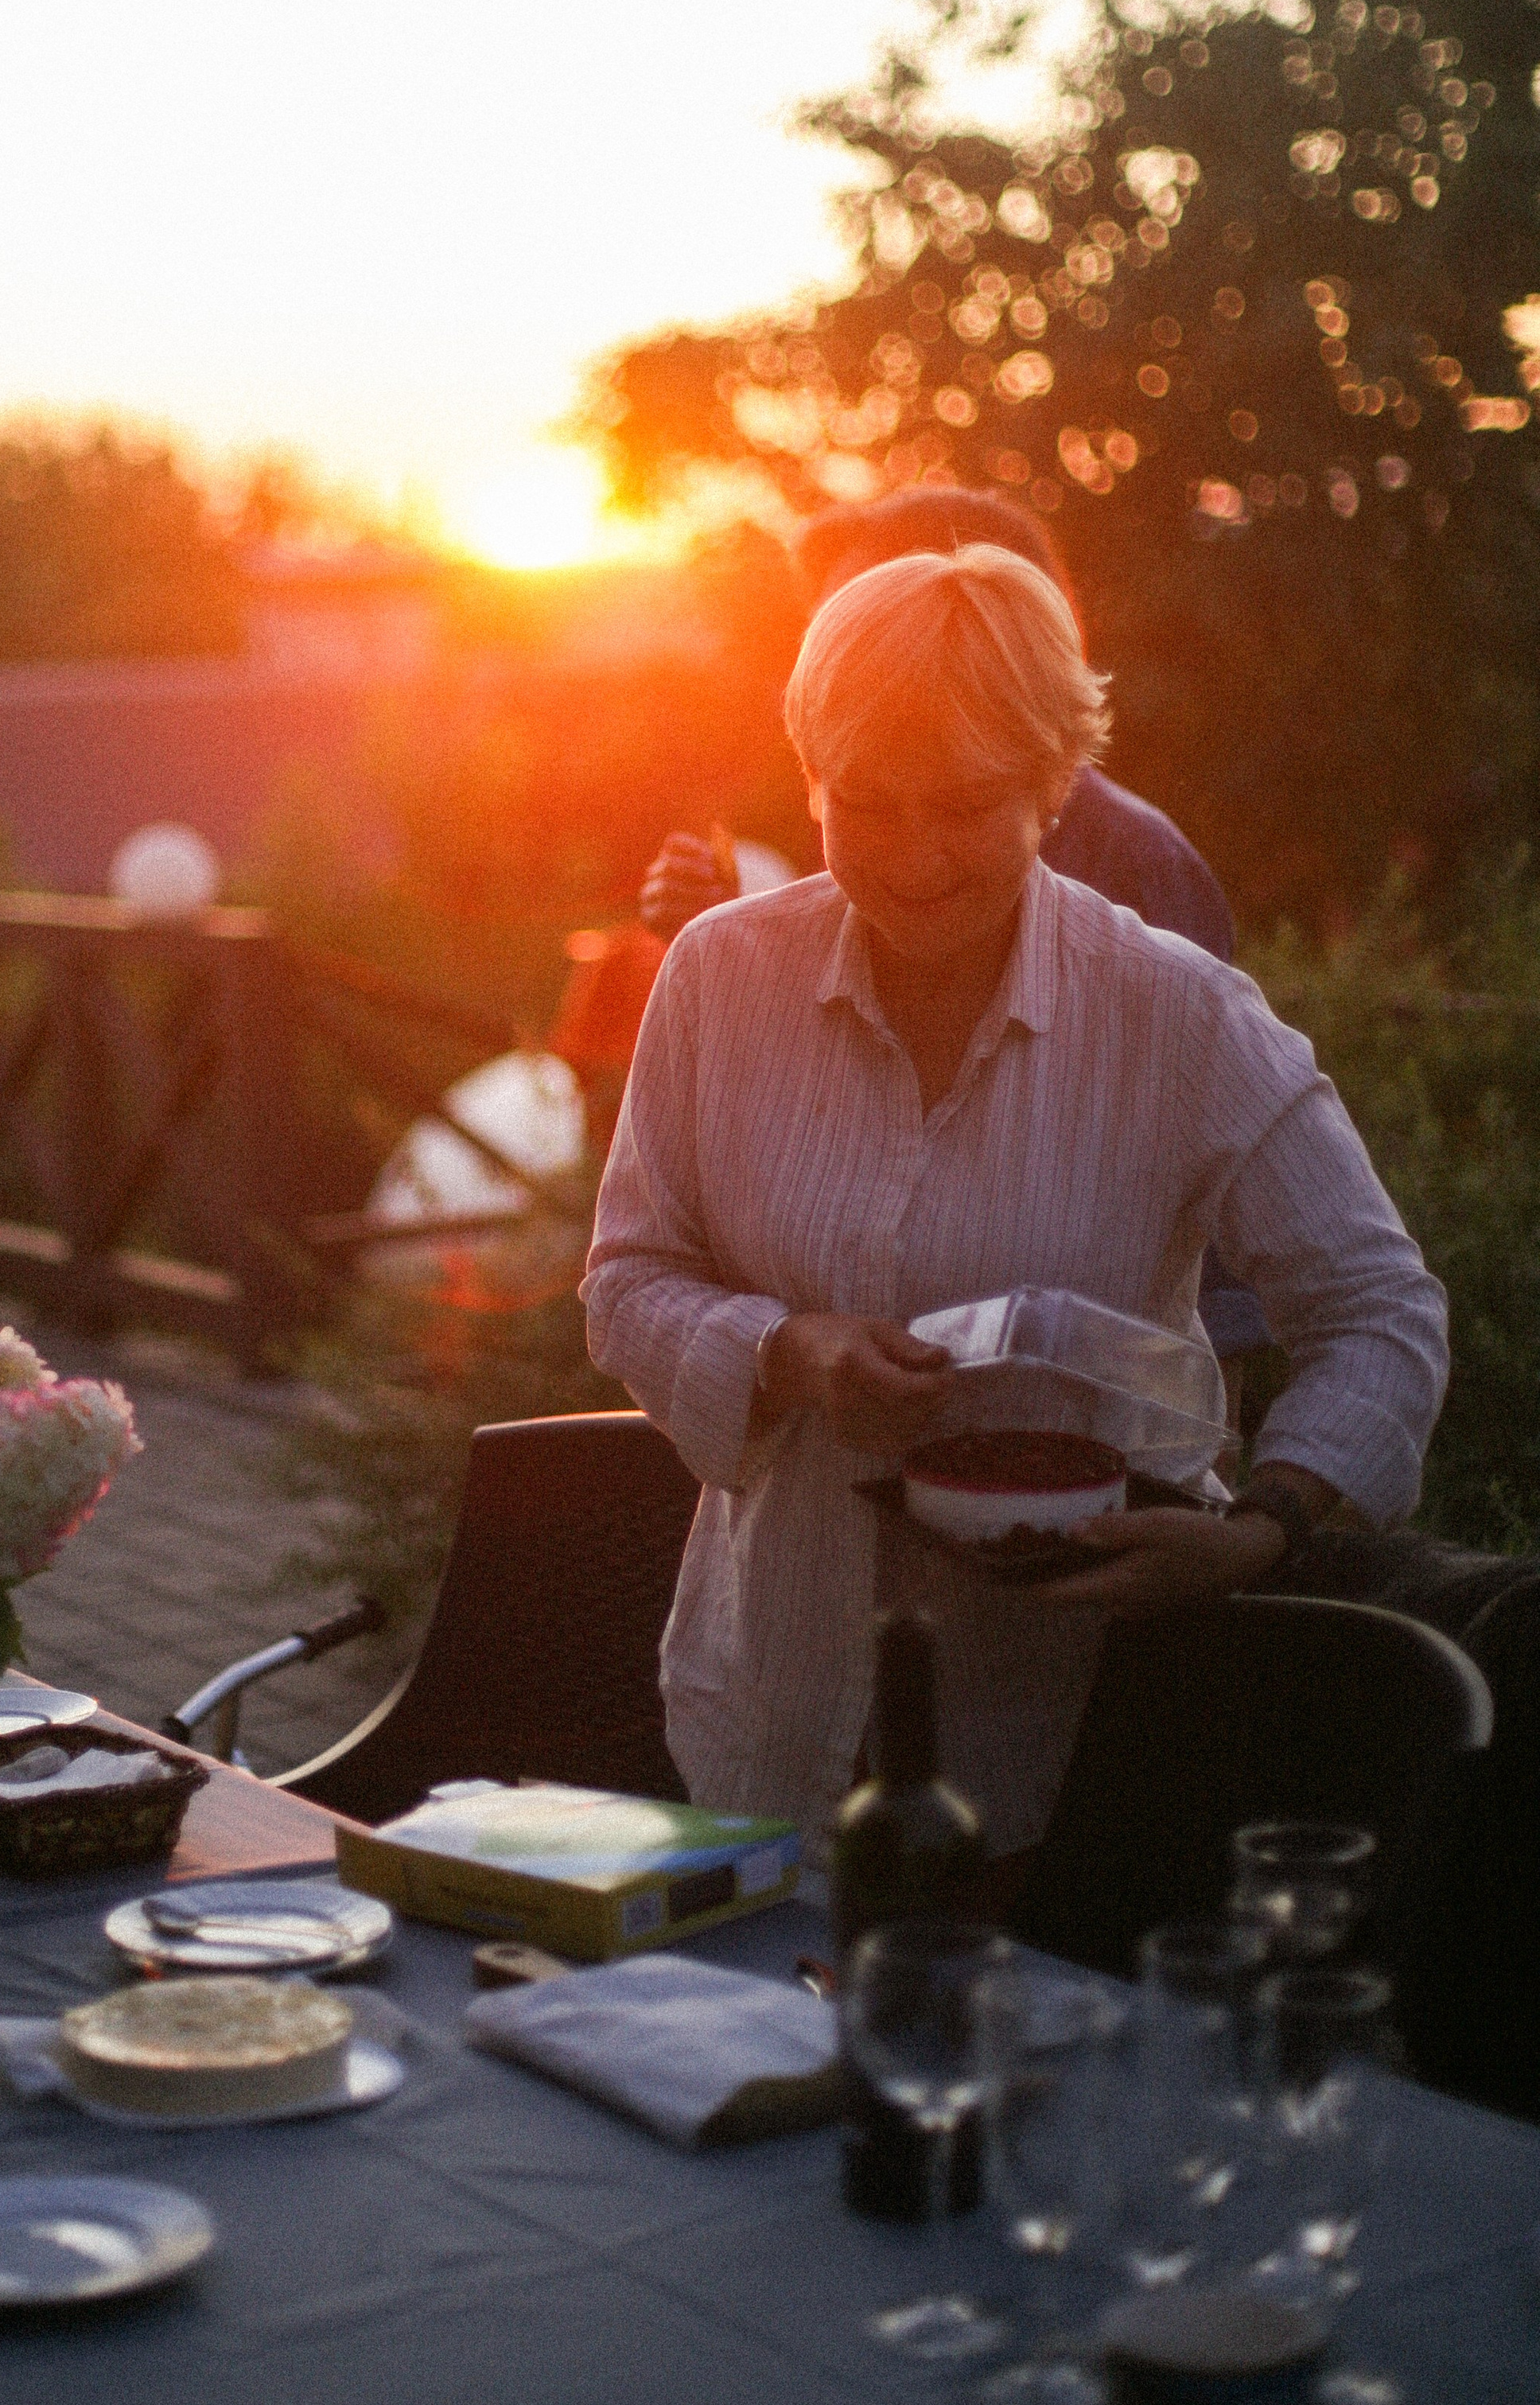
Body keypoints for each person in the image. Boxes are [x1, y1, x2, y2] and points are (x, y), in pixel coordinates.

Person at [582, 547, 1447, 1862]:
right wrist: (790, 1353)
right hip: (766, 1712)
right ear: (809, 777)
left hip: (1085, 1735)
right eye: (865, 803)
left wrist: (1262, 1529)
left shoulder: (1174, 1013)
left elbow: (1382, 1311)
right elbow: (629, 1279)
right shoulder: (718, 980)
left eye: (968, 803)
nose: (914, 857)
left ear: (1053, 786)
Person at [639, 488, 1267, 1380]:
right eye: (827, 627)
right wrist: (728, 954)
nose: (840, 656)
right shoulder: (841, 871)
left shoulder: (1134, 867)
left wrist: (1248, 1490)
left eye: (873, 615)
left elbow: (1201, 1227)